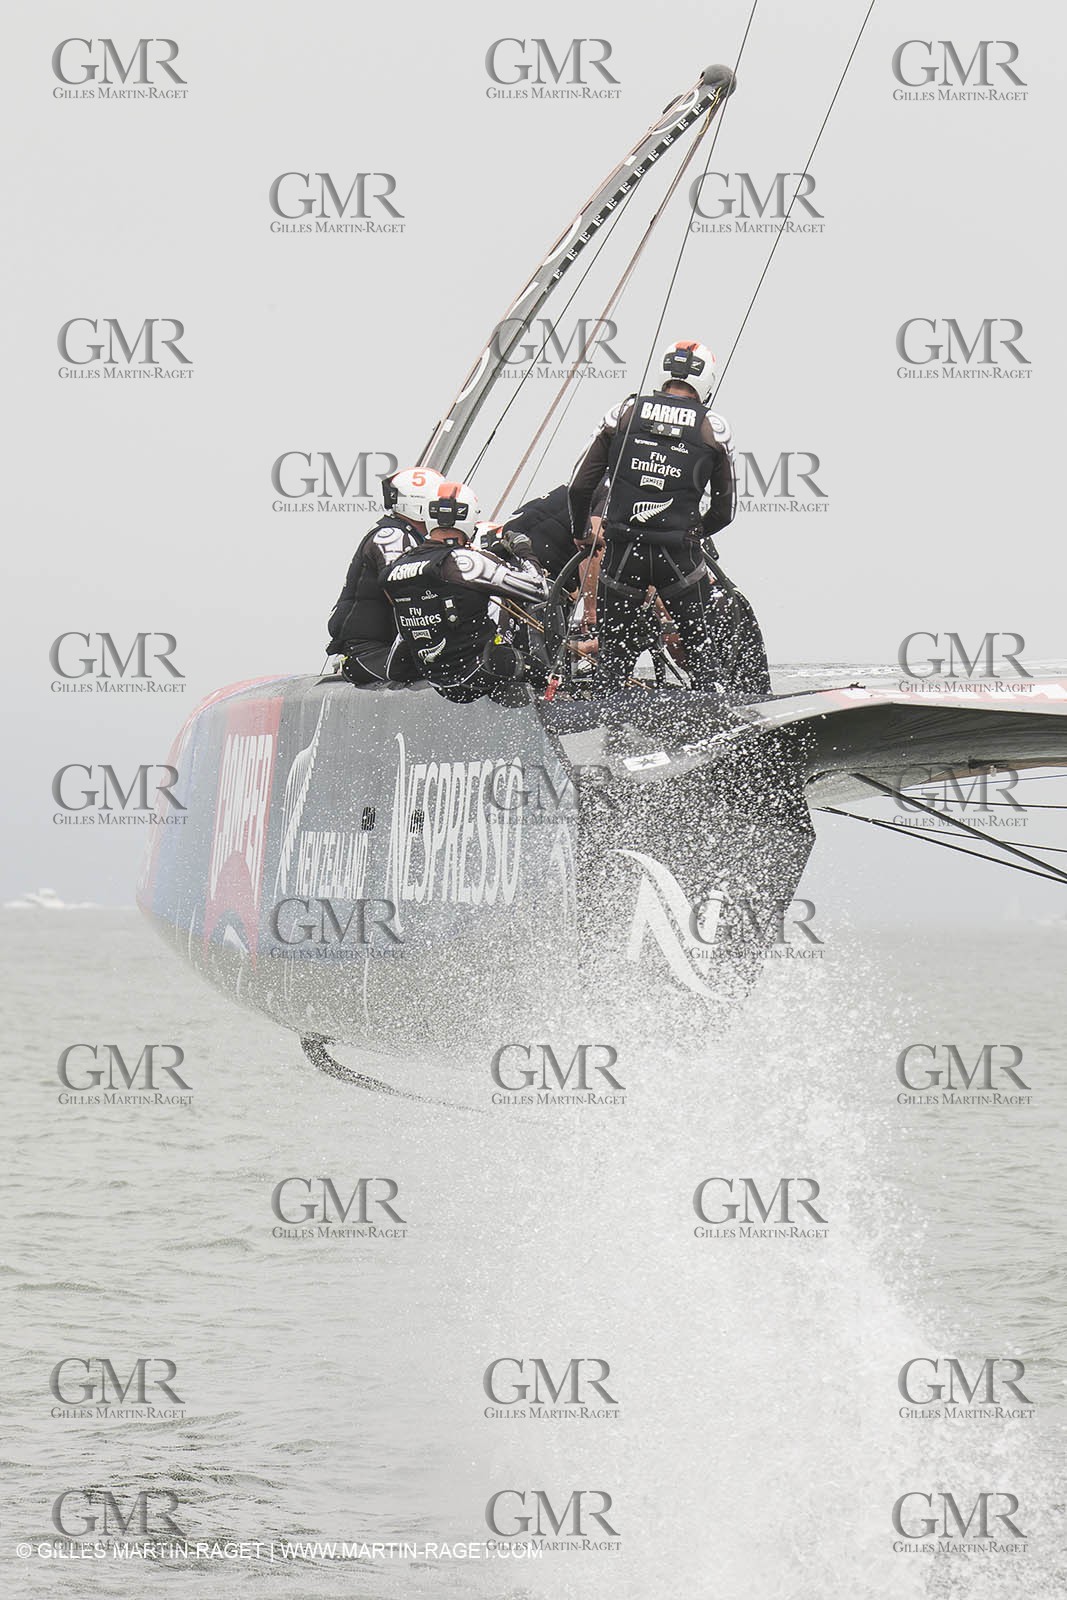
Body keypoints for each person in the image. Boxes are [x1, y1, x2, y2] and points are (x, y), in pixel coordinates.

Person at [567, 339, 738, 695]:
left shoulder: (623, 413)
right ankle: (719, 724)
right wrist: (693, 532)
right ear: (707, 380)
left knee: (613, 660)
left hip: (622, 553)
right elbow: (725, 511)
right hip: (680, 557)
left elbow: (579, 487)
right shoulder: (714, 427)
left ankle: (604, 733)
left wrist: (582, 531)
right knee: (703, 654)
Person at [381, 481, 549, 704]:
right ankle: (565, 697)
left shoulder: (395, 568)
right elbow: (539, 589)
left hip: (438, 683)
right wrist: (522, 549)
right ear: (469, 516)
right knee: (544, 672)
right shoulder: (465, 561)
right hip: (479, 671)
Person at [326, 466, 442, 685]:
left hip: (386, 650)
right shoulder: (393, 537)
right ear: (422, 505)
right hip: (369, 653)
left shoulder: (409, 535)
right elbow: (404, 593)